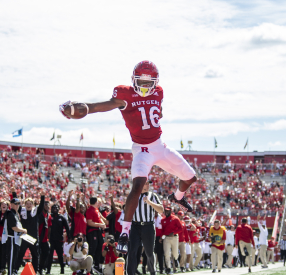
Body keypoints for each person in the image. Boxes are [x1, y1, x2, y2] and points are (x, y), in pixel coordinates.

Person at [59, 61, 198, 253]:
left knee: (191, 177)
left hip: (160, 145)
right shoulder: (125, 94)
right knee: (138, 184)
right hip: (142, 149)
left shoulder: (159, 92)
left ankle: (177, 196)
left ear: (156, 82)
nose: (145, 87)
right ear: (133, 80)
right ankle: (125, 232)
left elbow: (157, 110)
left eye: (149, 83)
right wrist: (85, 108)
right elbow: (103, 106)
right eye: (141, 82)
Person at [127, 181, 163, 275]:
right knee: (132, 251)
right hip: (135, 226)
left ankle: (152, 272)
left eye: (148, 184)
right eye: (145, 183)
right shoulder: (133, 194)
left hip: (148, 226)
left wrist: (149, 202)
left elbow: (161, 209)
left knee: (149, 252)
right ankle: (130, 273)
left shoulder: (152, 195)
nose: (147, 185)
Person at [16, 194, 45, 274]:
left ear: (33, 205)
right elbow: (16, 204)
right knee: (20, 254)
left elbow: (41, 206)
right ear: (25, 205)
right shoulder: (22, 211)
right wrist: (14, 193)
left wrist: (42, 196)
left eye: (30, 204)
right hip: (24, 237)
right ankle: (15, 269)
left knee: (35, 255)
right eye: (27, 204)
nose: (28, 205)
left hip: (33, 238)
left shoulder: (35, 211)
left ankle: (35, 270)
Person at [4, 198, 27, 275]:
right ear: (12, 204)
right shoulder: (10, 213)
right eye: (16, 204)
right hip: (11, 238)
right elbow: (14, 227)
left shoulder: (15, 214)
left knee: (14, 257)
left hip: (16, 238)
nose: (17, 205)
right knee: (11, 258)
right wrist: (23, 230)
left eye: (18, 204)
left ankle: (12, 272)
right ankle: (10, 273)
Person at [86, 197, 108, 273]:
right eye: (98, 202)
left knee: (99, 248)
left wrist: (102, 224)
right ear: (95, 202)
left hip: (98, 231)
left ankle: (96, 265)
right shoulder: (90, 210)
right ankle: (89, 267)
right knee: (93, 249)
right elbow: (89, 222)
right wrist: (101, 225)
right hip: (92, 231)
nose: (99, 203)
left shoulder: (96, 209)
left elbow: (99, 218)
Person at [48, 204, 70, 274]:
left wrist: (69, 237)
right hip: (51, 240)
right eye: (53, 208)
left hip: (59, 240)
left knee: (60, 256)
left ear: (59, 209)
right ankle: (48, 270)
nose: (55, 209)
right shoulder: (49, 217)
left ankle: (62, 269)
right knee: (49, 256)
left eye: (56, 208)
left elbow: (67, 228)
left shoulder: (62, 217)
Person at [160, 207, 182, 275]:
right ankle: (168, 268)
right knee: (167, 253)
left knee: (175, 253)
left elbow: (180, 228)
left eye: (167, 211)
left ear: (170, 211)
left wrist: (174, 233)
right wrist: (161, 237)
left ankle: (176, 259)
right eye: (165, 211)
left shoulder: (175, 218)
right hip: (166, 238)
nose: (166, 212)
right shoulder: (163, 219)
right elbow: (162, 231)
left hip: (174, 238)